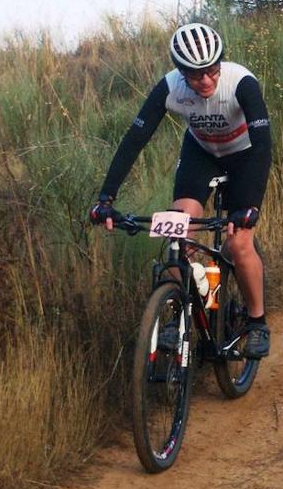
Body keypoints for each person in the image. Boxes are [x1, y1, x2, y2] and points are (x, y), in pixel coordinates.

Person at [89, 22, 273, 359]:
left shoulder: (240, 82)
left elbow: (263, 143)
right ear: (180, 71)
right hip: (201, 154)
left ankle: (257, 321)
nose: (206, 80)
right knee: (178, 232)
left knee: (238, 240)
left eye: (212, 70)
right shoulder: (170, 87)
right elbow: (135, 140)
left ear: (221, 63)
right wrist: (106, 197)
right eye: (195, 74)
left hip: (245, 155)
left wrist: (251, 207)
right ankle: (178, 312)